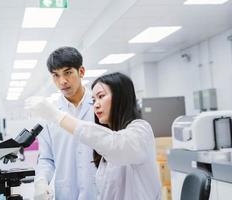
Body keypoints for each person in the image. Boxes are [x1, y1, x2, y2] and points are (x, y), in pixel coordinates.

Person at [26, 72, 161, 200]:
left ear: (121, 97)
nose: (95, 105)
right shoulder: (106, 143)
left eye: (101, 96)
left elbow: (115, 145)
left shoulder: (141, 130)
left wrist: (57, 116)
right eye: (94, 99)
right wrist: (41, 182)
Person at [33, 47, 96, 200]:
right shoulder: (49, 113)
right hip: (66, 194)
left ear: (81, 72)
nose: (62, 81)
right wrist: (41, 181)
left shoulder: (99, 106)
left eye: (68, 72)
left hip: (99, 193)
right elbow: (46, 158)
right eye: (56, 75)